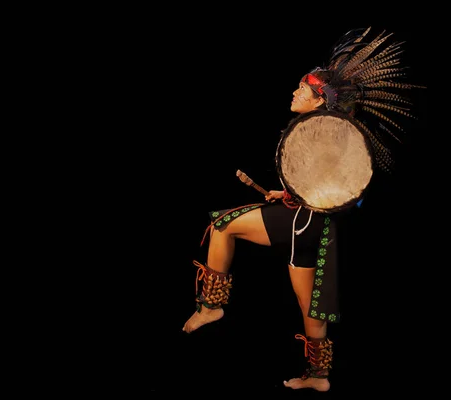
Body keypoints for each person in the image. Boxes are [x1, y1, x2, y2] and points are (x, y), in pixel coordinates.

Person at [181, 27, 425, 392]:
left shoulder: (327, 130)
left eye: (302, 90)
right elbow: (315, 183)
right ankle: (213, 307)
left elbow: (340, 191)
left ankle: (317, 376)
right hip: (303, 217)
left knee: (308, 302)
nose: (294, 92)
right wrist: (288, 193)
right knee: (224, 225)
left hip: (306, 225)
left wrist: (299, 198)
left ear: (318, 101)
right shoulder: (315, 128)